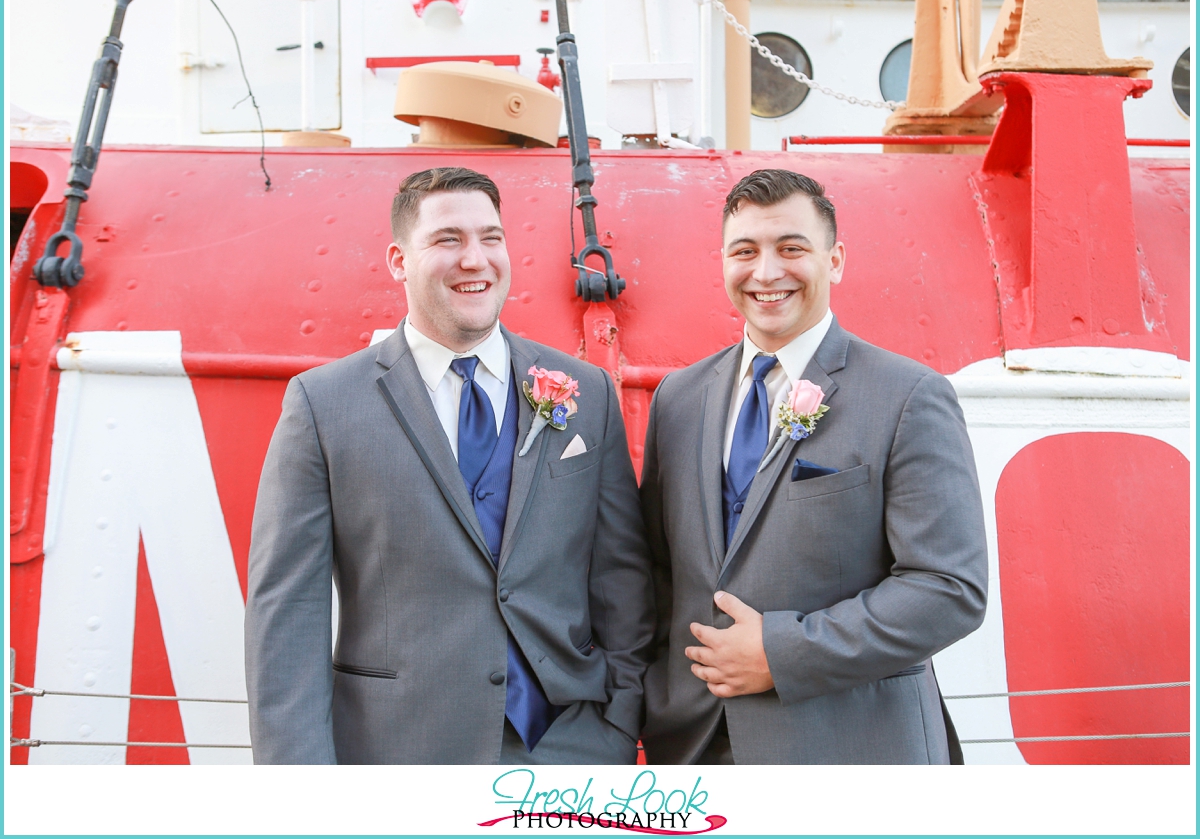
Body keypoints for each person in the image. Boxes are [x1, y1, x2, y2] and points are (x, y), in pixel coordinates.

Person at [246, 166, 655, 764]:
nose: (476, 259)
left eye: (491, 238)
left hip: (568, 754)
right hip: (397, 755)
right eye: (447, 240)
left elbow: (621, 579)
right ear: (398, 260)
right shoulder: (323, 405)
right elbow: (287, 611)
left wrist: (617, 730)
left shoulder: (585, 392)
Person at [639, 167, 987, 765]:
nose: (766, 272)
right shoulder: (679, 398)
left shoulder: (908, 396)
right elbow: (658, 571)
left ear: (835, 261)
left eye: (792, 248)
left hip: (850, 751)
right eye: (744, 251)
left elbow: (948, 588)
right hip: (694, 753)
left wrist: (783, 652)